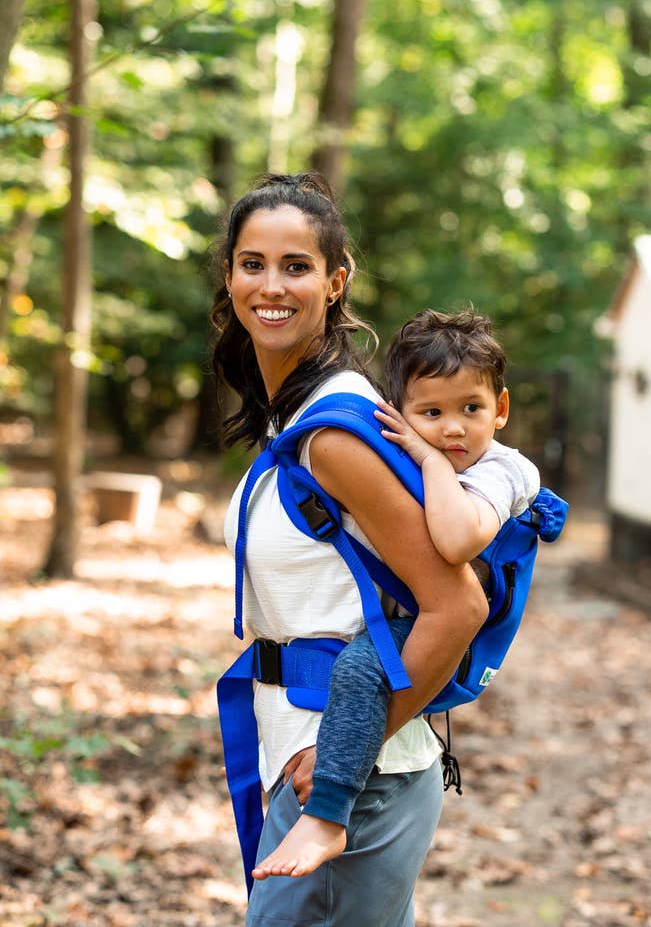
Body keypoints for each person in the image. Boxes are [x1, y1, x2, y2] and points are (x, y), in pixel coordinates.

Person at [212, 172, 487, 927]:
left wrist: (340, 762)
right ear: (230, 276)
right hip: (310, 756)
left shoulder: (334, 430)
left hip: (344, 781)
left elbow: (458, 602)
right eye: (253, 263)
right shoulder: (294, 416)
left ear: (335, 283)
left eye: (296, 266)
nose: (272, 284)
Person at [252, 307, 540, 882]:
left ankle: (330, 813)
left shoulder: (504, 471)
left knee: (361, 672)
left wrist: (429, 457)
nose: (454, 428)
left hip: (448, 629)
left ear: (500, 410)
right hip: (400, 620)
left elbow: (458, 540)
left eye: (471, 409)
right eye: (431, 413)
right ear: (400, 413)